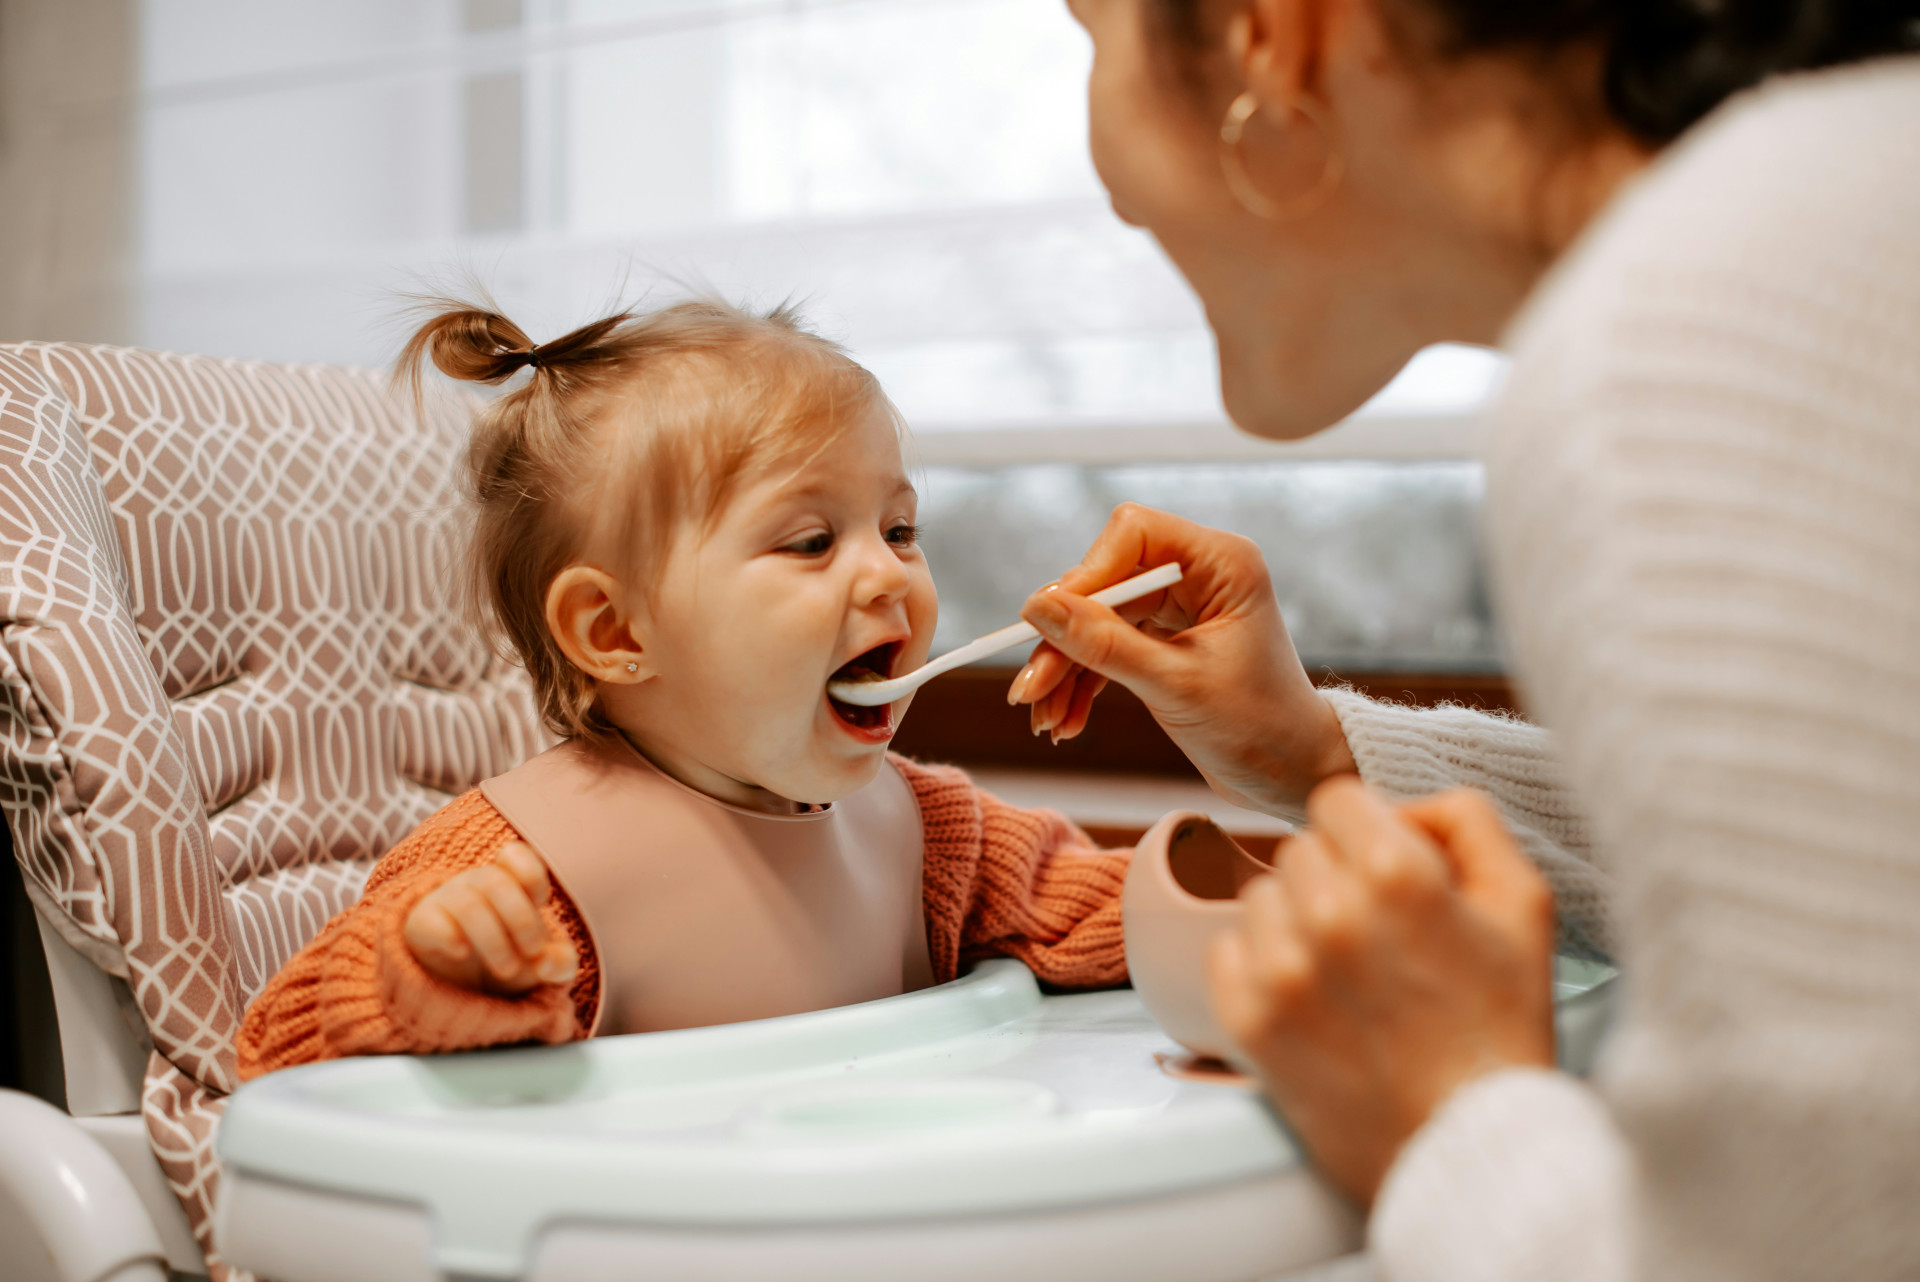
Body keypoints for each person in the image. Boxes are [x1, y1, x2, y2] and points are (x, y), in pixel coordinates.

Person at [1009, 1, 1920, 1277]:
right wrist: (1323, 755)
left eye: (1088, 22)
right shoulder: (1844, 198)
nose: (1108, 193)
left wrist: (1446, 1113)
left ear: (1272, 35)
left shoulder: (1683, 333)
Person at [236, 298, 1129, 1076]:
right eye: (812, 542)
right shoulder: (521, 871)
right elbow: (280, 1056)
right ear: (615, 632)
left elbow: (1125, 918)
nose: (890, 574)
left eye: (898, 530)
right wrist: (432, 980)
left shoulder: (934, 838)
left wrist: (1205, 828)